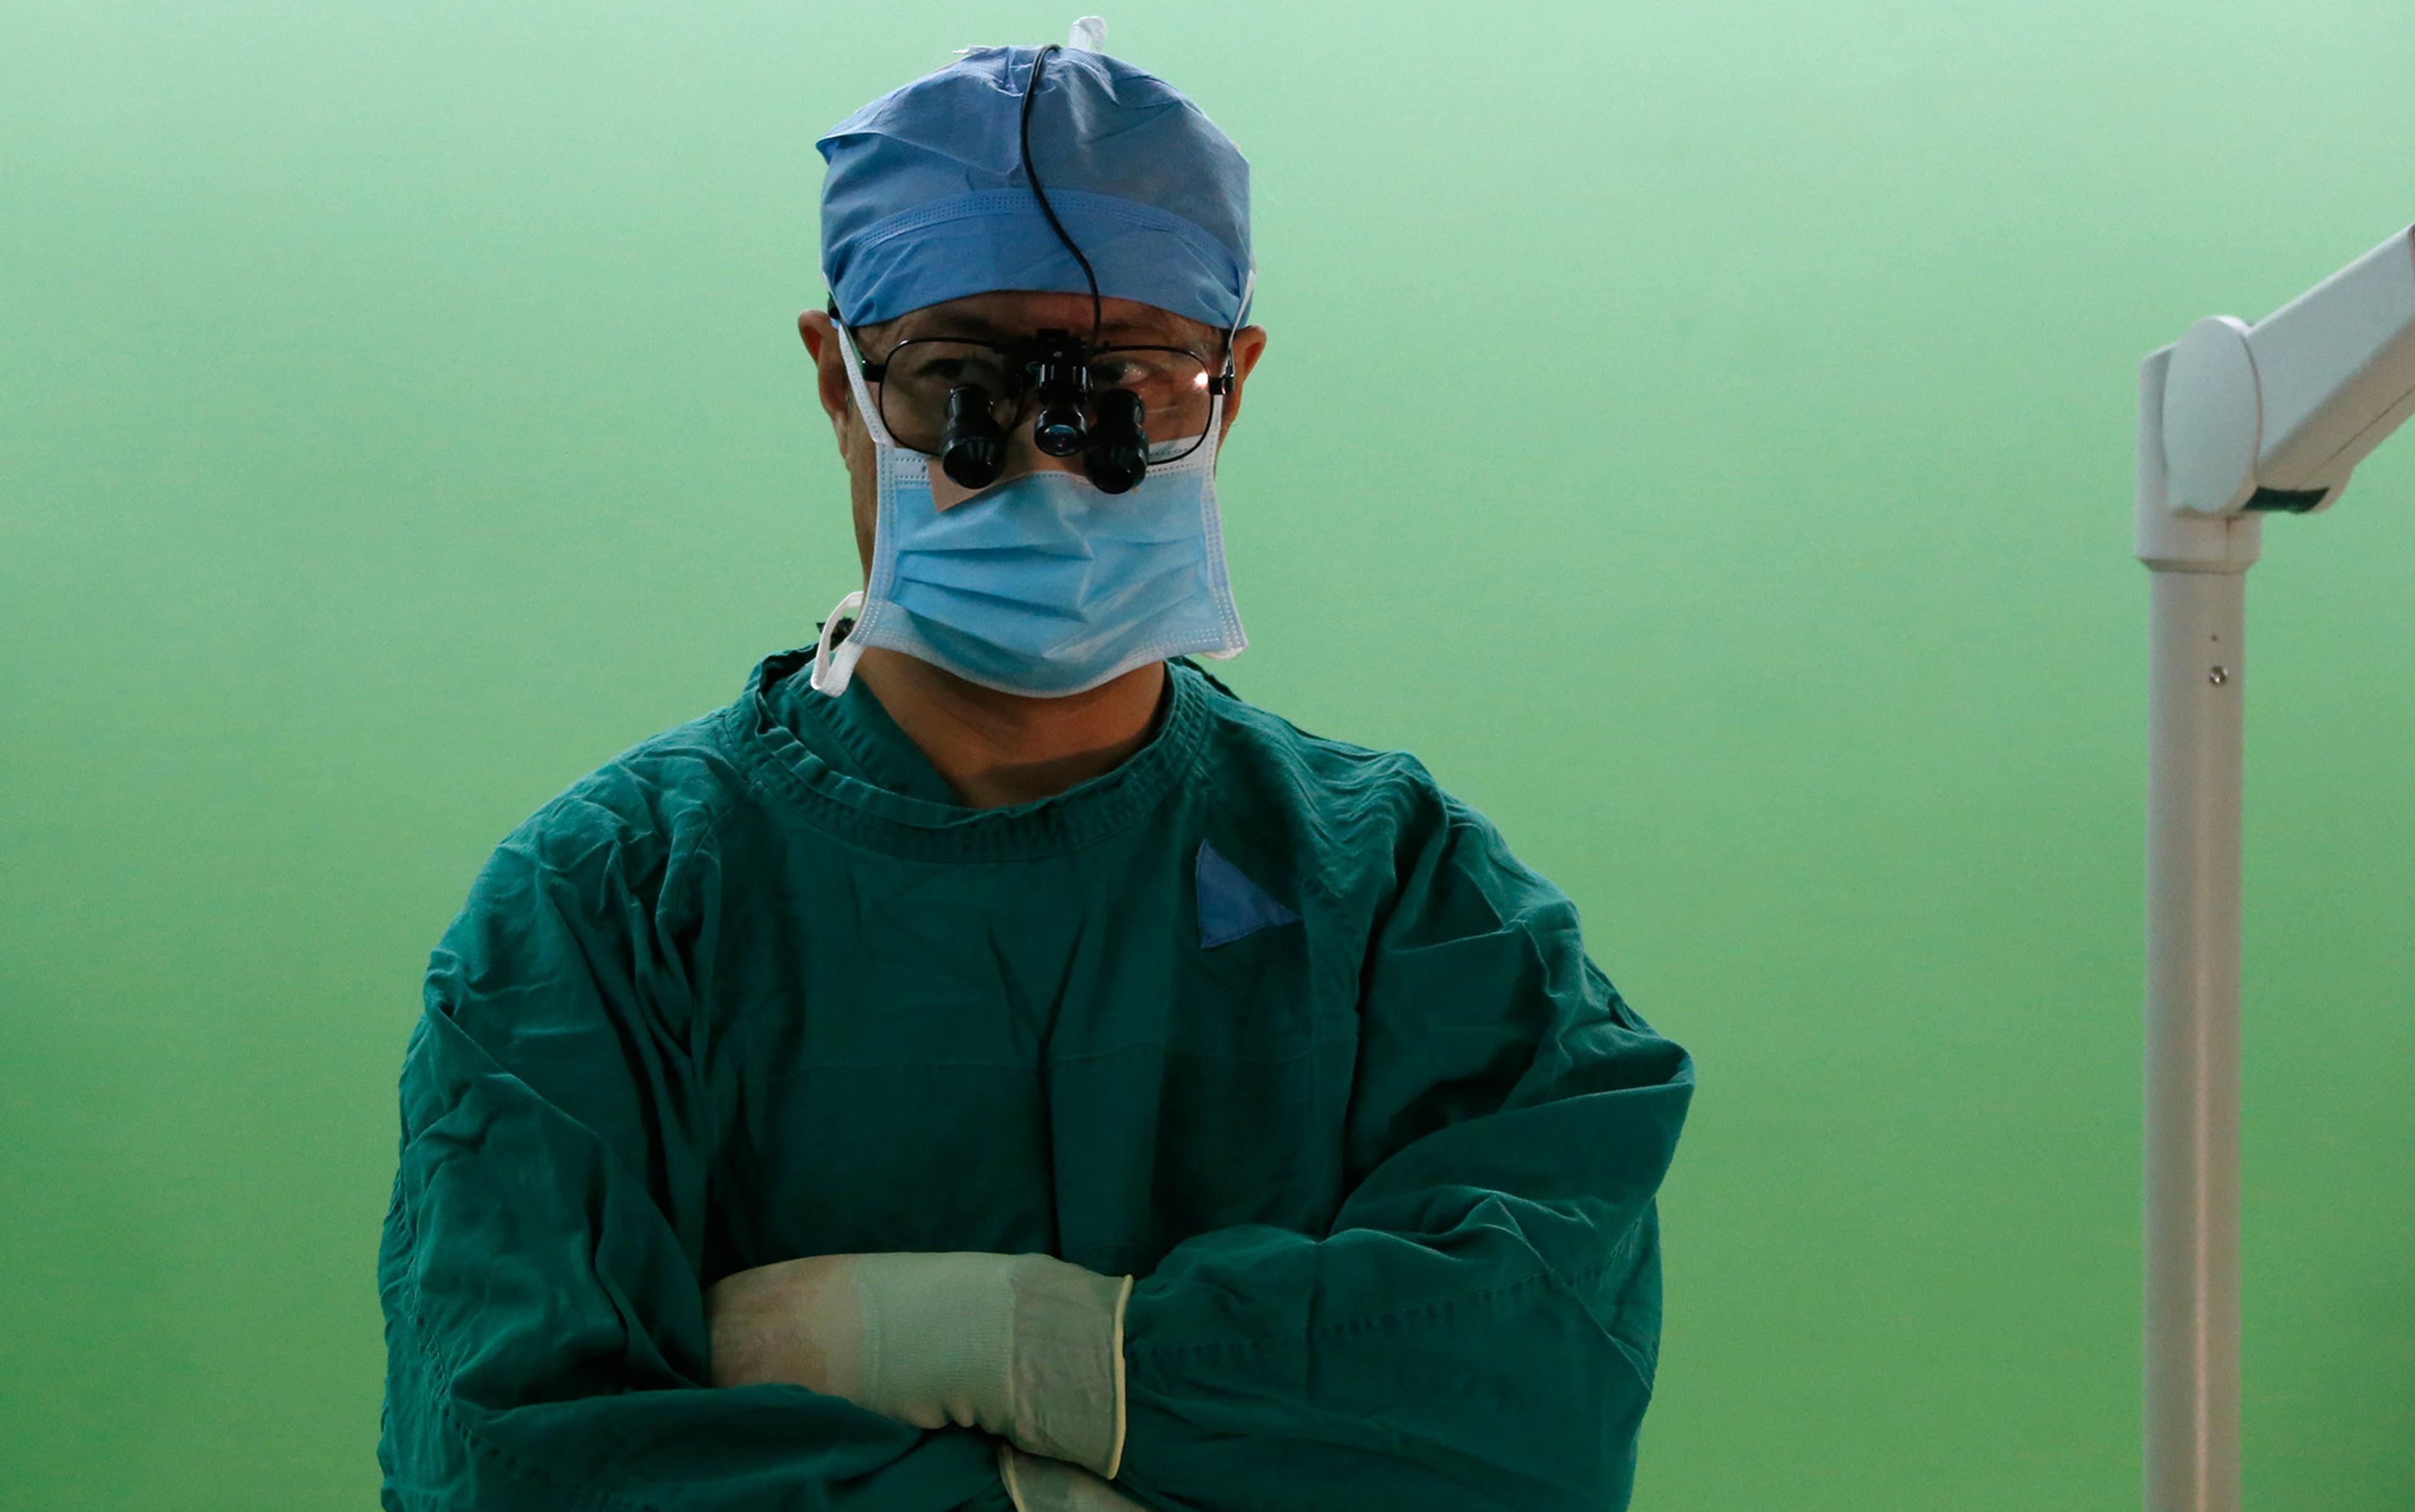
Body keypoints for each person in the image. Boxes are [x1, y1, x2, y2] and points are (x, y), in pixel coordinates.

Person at [378, 30, 1693, 1512]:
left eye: (1129, 378)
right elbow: (513, 1462)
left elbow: (1529, 1387)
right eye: (962, 381)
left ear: (1231, 385)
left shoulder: (1395, 893)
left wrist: (1010, 1345)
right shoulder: (611, 909)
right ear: (840, 380)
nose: (1055, 457)